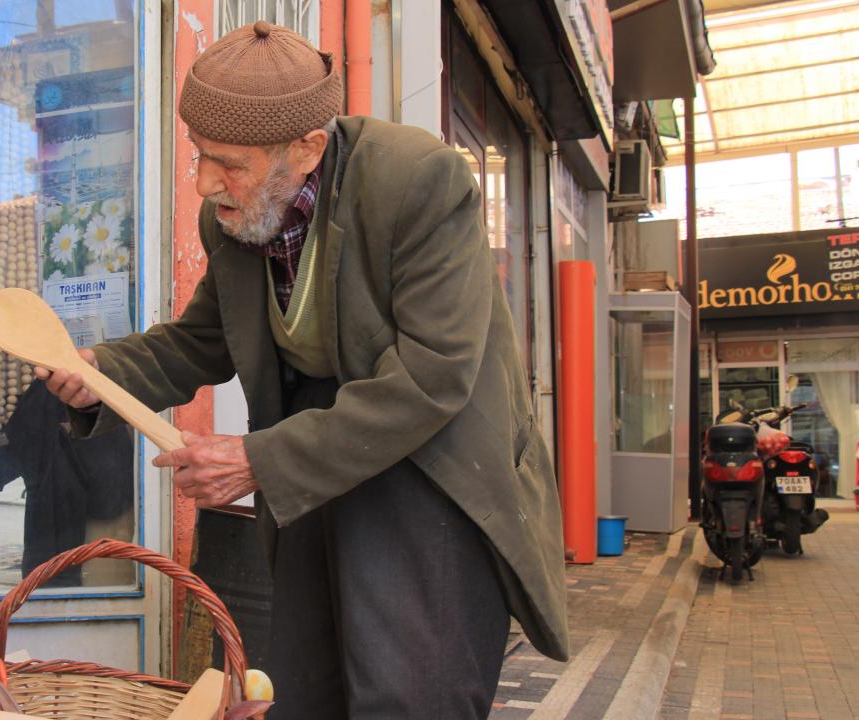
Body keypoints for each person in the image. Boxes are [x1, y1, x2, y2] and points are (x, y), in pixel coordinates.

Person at [36, 20, 569, 719]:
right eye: (199, 155)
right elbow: (203, 340)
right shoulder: (236, 213)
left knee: (411, 694)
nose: (204, 183)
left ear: (308, 147)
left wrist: (257, 461)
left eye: (228, 162)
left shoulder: (421, 184)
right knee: (307, 692)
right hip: (316, 475)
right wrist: (102, 372)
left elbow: (436, 374)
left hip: (429, 472)